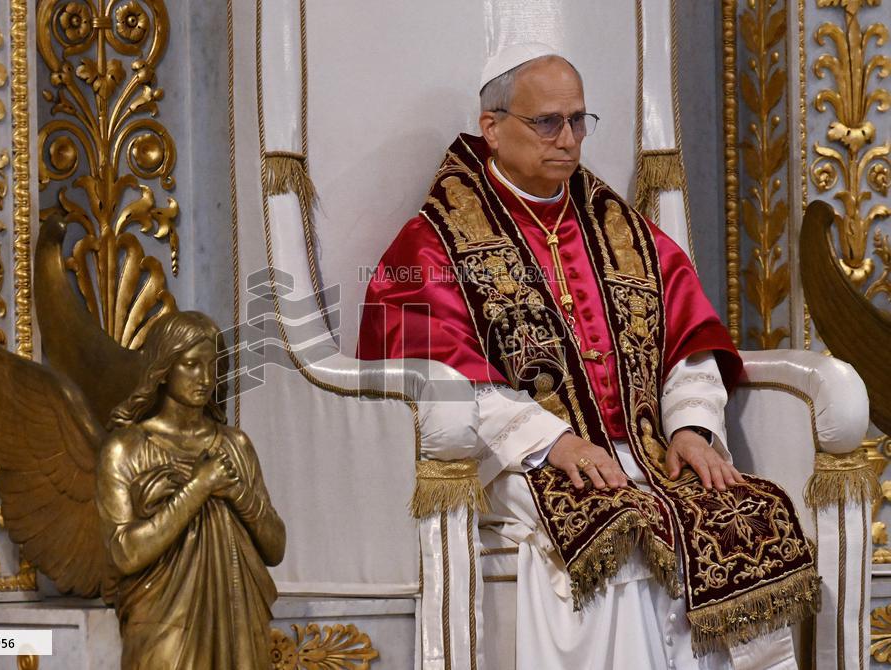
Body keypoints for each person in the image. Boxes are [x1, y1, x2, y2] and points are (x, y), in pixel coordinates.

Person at [357, 44, 817, 670]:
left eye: (578, 120)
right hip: (513, 461)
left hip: (645, 451)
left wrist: (690, 428)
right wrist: (554, 442)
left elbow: (689, 344)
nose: (568, 139)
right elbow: (440, 377)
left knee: (738, 509)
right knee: (617, 532)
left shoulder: (622, 230)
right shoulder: (435, 243)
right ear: (491, 127)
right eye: (547, 122)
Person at [97, 311, 286, 670]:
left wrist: (238, 494)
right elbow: (124, 553)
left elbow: (275, 547)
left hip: (237, 620)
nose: (205, 378)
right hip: (163, 624)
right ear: (163, 369)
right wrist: (199, 486)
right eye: (191, 365)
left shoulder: (236, 445)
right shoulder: (125, 449)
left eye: (212, 366)